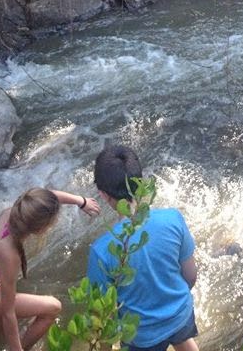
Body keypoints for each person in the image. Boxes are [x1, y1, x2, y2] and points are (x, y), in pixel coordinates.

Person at [0, 186, 100, 351]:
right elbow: (8, 314)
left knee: (8, 293)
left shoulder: (14, 213)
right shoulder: (9, 255)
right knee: (53, 307)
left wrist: (81, 201)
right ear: (41, 229)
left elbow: (45, 198)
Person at [88, 145, 199, 351]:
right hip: (181, 314)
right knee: (182, 338)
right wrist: (170, 307)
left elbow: (101, 316)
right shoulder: (173, 218)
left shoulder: (101, 251)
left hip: (142, 336)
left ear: (103, 194)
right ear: (141, 181)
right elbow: (191, 276)